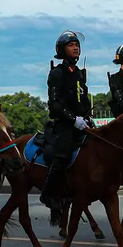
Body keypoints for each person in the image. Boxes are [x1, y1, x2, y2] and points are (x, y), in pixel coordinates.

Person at [40, 30, 92, 213]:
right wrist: (73, 119)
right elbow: (54, 104)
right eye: (71, 45)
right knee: (62, 153)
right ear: (62, 50)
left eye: (77, 45)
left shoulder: (78, 73)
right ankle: (48, 193)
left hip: (81, 122)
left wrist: (87, 117)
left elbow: (83, 99)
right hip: (64, 124)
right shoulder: (57, 73)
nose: (76, 48)